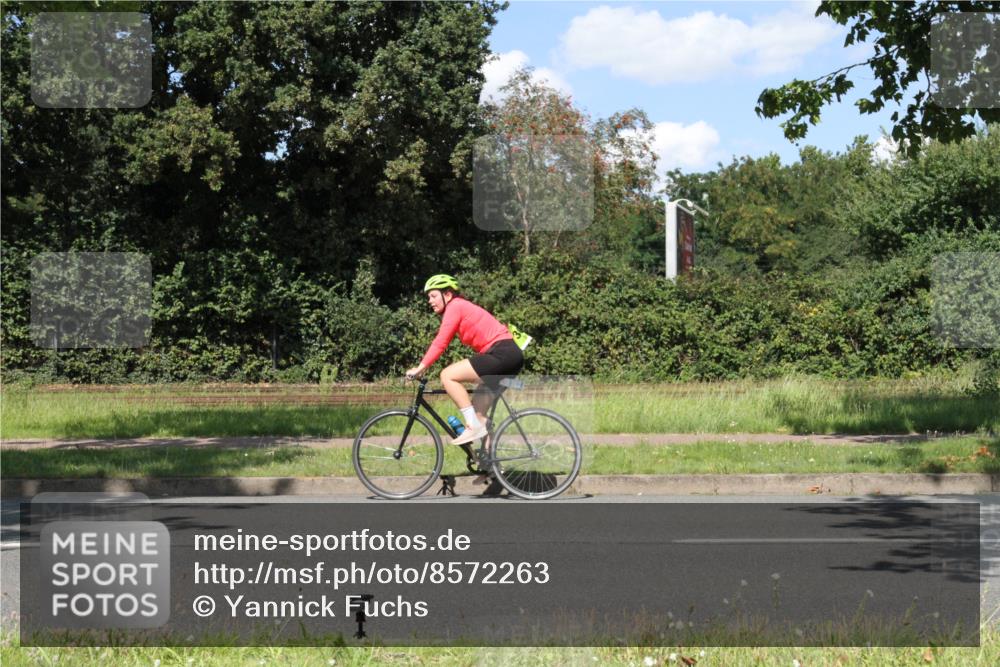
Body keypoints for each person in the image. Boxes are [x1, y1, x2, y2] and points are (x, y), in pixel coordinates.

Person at [405, 274, 523, 445]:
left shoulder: (456, 306)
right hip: (508, 354)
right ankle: (490, 466)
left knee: (448, 375)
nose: (430, 301)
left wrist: (420, 368)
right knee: (479, 415)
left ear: (447, 295)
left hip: (502, 353)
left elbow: (440, 342)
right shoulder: (458, 307)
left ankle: (472, 427)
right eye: (428, 297)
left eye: (433, 296)